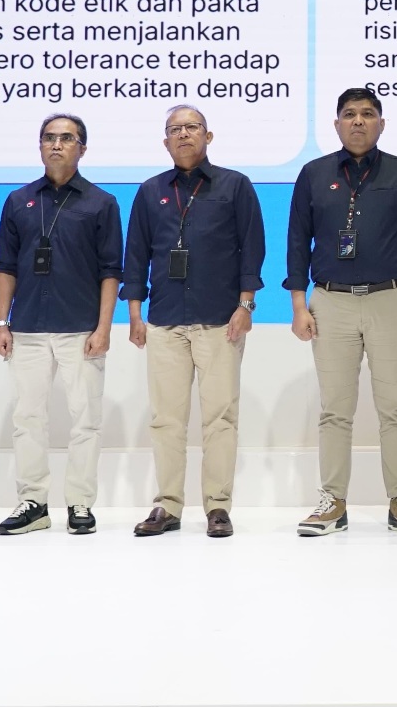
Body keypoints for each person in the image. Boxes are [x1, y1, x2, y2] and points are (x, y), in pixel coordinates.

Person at [287, 88, 397, 537]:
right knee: (335, 410)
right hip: (330, 302)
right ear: (336, 124)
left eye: (368, 113)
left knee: (394, 408)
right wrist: (299, 304)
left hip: (391, 300)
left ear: (381, 123)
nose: (358, 121)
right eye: (349, 114)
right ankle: (332, 502)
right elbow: (297, 241)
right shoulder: (314, 173)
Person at [122, 106, 265, 538]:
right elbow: (136, 255)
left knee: (220, 417)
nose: (183, 134)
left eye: (191, 128)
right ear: (165, 141)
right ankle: (167, 505)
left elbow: (252, 248)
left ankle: (218, 506)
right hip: (165, 319)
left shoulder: (234, 185)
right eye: (175, 129)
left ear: (208, 136)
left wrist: (246, 305)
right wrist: (135, 313)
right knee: (166, 418)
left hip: (221, 319)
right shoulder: (150, 191)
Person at [0, 113, 123, 536]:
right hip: (27, 327)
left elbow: (111, 271)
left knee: (86, 420)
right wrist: (1, 323)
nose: (56, 144)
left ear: (82, 148)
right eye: (49, 137)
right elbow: (5, 265)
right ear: (40, 145)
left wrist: (104, 328)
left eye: (66, 138)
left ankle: (80, 503)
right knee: (28, 417)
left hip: (81, 328)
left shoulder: (101, 203)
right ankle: (33, 502)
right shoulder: (19, 200)